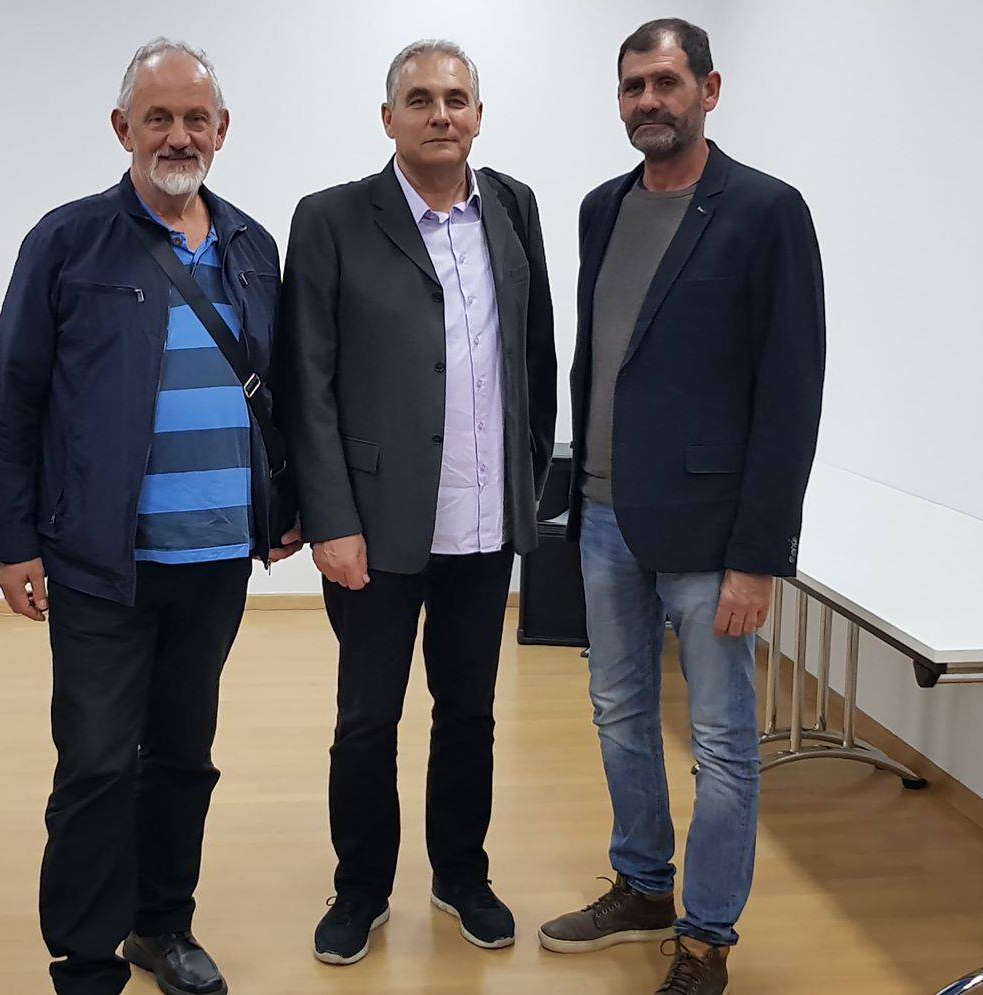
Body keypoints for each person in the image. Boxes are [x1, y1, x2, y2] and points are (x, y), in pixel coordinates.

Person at [0, 37, 298, 995]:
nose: (178, 135)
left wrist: (286, 504)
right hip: (99, 560)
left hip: (218, 556)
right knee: (97, 765)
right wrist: (14, 541)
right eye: (158, 117)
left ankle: (163, 924)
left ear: (222, 130)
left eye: (196, 118)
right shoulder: (66, 241)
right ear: (123, 128)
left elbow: (279, 392)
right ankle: (84, 958)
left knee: (184, 757)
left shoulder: (251, 246)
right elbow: (8, 403)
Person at [535, 18, 827, 995]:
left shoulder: (764, 211)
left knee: (722, 741)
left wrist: (759, 555)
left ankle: (706, 938)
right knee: (618, 710)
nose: (648, 101)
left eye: (665, 82)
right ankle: (643, 883)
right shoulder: (600, 208)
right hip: (604, 514)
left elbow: (789, 392)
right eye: (633, 87)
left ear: (709, 88)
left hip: (710, 535)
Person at [278, 38, 557, 967]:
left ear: (478, 114)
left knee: (468, 712)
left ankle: (461, 874)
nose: (442, 113)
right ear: (388, 117)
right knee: (367, 718)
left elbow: (535, 354)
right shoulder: (331, 218)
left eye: (457, 98)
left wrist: (526, 486)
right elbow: (307, 380)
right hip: (375, 527)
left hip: (484, 521)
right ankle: (360, 886)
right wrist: (330, 518)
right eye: (422, 99)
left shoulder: (512, 207)